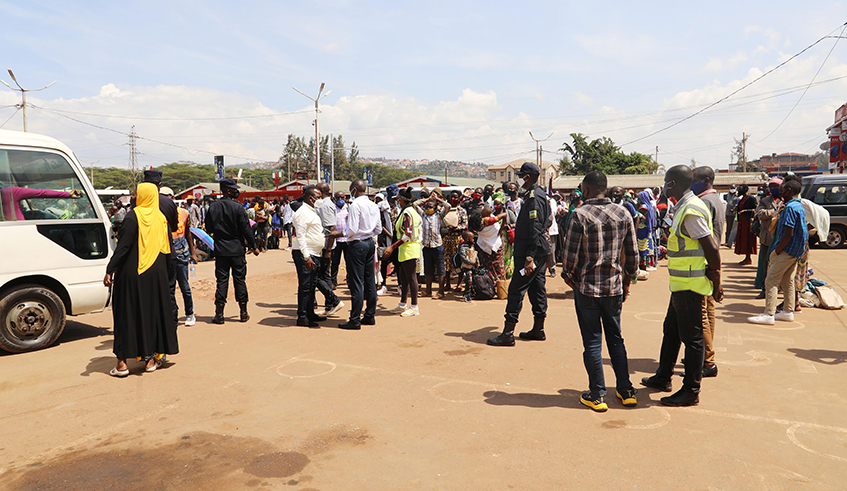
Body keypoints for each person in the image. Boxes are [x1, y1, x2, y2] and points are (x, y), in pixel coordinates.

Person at [641, 165, 723, 407]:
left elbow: (712, 248)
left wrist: (717, 280)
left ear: (673, 184)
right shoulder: (683, 206)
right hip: (680, 283)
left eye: (667, 182)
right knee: (671, 331)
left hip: (691, 284)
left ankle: (691, 390)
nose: (664, 187)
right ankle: (663, 377)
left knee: (693, 338)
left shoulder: (691, 209)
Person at [561, 171, 639, 412]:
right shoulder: (623, 212)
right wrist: (627, 280)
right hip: (614, 287)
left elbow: (569, 258)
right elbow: (633, 256)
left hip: (587, 288)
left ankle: (597, 394)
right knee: (616, 338)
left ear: (585, 190)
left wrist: (569, 276)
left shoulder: (580, 215)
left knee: (592, 341)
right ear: (605, 189)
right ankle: (626, 390)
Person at [103, 182, 178, 377]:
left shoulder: (133, 216)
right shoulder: (161, 218)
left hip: (134, 274)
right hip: (157, 275)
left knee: (125, 315)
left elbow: (123, 248)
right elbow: (169, 250)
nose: (134, 197)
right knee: (151, 315)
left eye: (136, 193)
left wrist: (110, 269)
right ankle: (150, 360)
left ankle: (121, 364)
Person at [488, 162, 551, 346]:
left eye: (521, 175)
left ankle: (508, 334)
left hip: (529, 256)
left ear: (528, 177)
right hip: (537, 252)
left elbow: (535, 228)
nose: (519, 179)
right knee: (537, 288)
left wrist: (529, 258)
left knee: (516, 289)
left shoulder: (533, 198)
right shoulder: (538, 195)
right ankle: (538, 329)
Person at [748, 175, 808, 325]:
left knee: (771, 281)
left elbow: (788, 234)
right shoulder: (799, 206)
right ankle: (788, 311)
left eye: (781, 189)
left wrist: (776, 251)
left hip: (786, 251)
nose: (779, 192)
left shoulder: (789, 208)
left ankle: (769, 314)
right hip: (795, 251)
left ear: (788, 190)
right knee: (788, 281)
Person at [205, 178, 259, 324]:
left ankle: (219, 315)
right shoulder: (238, 207)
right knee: (239, 280)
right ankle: (243, 313)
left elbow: (209, 229)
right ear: (228, 190)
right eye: (234, 189)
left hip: (221, 250)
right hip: (237, 250)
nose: (237, 191)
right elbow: (246, 229)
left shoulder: (213, 207)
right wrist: (254, 246)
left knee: (222, 281)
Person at [691, 167, 725, 378]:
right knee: (708, 310)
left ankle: (708, 360)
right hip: (710, 263)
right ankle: (705, 353)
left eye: (693, 180)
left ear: (705, 181)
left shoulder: (703, 203)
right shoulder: (716, 201)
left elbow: (707, 242)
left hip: (703, 264)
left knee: (701, 314)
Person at [341, 179, 382, 329]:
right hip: (370, 243)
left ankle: (355, 319)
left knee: (356, 282)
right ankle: (370, 315)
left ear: (353, 190)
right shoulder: (373, 205)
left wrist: (339, 233)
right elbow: (378, 229)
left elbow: (351, 230)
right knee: (370, 281)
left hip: (357, 245)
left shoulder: (355, 205)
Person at [383, 187, 422, 317]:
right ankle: (402, 304)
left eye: (398, 200)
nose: (397, 202)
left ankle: (414, 306)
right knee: (403, 277)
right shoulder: (408, 211)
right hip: (405, 250)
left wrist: (392, 247)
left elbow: (407, 234)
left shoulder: (407, 213)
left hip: (409, 249)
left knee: (411, 278)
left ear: (400, 200)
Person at [292, 186, 326, 327]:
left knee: (312, 285)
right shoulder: (302, 213)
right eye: (318, 197)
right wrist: (307, 257)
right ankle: (302, 317)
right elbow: (300, 236)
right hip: (305, 253)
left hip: (314, 253)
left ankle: (310, 313)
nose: (321, 200)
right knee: (305, 286)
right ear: (310, 198)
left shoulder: (312, 211)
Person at [162, 188, 196, 327]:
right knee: (169, 289)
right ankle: (172, 315)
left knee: (184, 287)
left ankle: (190, 314)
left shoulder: (183, 212)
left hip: (181, 255)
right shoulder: (158, 213)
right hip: (167, 256)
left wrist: (193, 252)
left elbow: (188, 233)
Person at [314, 183, 344, 317]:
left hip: (326, 246)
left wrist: (328, 250)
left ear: (320, 191)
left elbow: (331, 229)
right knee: (324, 275)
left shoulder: (325, 205)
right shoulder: (323, 204)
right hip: (324, 245)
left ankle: (332, 303)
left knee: (322, 276)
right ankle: (329, 305)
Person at [414, 193, 450, 298]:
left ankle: (441, 291)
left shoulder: (439, 216)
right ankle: (428, 290)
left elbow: (448, 206)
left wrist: (438, 199)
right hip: (427, 246)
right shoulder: (423, 214)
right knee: (428, 269)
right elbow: (415, 204)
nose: (429, 208)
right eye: (428, 207)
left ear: (435, 208)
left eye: (431, 207)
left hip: (438, 246)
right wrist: (427, 199)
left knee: (440, 269)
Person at [754, 177, 783, 298]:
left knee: (779, 265)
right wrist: (774, 212)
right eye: (772, 187)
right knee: (766, 264)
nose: (774, 189)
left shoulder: (786, 200)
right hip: (767, 238)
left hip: (781, 238)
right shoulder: (765, 200)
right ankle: (764, 289)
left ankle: (779, 289)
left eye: (776, 187)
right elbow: (760, 214)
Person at [442, 190, 469, 291]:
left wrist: (456, 228)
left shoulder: (462, 211)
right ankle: (447, 283)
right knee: (447, 261)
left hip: (457, 238)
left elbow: (465, 225)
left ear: (459, 199)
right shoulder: (444, 210)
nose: (453, 199)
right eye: (452, 197)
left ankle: (459, 284)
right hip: (446, 239)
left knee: (457, 261)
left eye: (456, 197)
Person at [476, 206, 506, 282]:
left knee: (495, 265)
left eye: (482, 213)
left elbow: (505, 214)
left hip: (495, 244)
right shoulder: (479, 220)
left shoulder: (490, 220)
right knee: (490, 265)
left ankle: (498, 285)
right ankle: (492, 283)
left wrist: (501, 228)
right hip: (486, 245)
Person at [734, 184, 757, 265]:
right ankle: (746, 258)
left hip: (747, 222)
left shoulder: (751, 198)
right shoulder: (741, 199)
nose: (739, 190)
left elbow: (755, 209)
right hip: (742, 222)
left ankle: (748, 258)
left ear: (745, 189)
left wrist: (746, 211)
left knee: (748, 239)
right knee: (743, 239)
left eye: (740, 189)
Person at [636, 189, 658, 272]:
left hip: (642, 230)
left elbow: (639, 217)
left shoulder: (643, 207)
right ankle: (646, 265)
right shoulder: (650, 206)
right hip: (648, 230)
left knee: (642, 247)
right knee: (647, 246)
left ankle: (642, 266)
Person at [330, 191, 349, 288]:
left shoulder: (350, 208)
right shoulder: (332, 209)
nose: (340, 200)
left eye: (342, 197)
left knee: (349, 262)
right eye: (338, 198)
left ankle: (350, 280)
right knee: (334, 262)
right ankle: (333, 281)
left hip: (347, 240)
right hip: (336, 240)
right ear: (335, 199)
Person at [457, 230, 479, 302]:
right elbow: (463, 259)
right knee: (469, 280)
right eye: (472, 238)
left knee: (471, 280)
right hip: (466, 267)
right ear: (467, 239)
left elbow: (474, 254)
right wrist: (472, 263)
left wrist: (477, 261)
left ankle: (469, 292)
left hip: (473, 266)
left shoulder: (471, 246)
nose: (473, 240)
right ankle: (467, 294)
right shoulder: (462, 248)